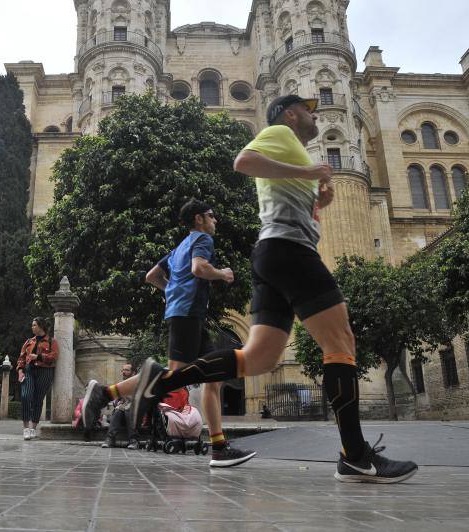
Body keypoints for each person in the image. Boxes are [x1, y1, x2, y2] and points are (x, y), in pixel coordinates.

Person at [130, 95, 419, 483]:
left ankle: (161, 381)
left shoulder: (294, 151)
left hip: (273, 253)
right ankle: (355, 456)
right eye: (308, 108)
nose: (315, 114)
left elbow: (287, 201)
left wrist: (321, 199)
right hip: (290, 252)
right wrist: (307, 174)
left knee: (258, 358)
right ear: (290, 112)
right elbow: (243, 162)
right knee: (341, 344)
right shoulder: (280, 133)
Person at [82, 199, 255, 467]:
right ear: (199, 219)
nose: (215, 220)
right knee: (172, 376)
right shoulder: (202, 240)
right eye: (212, 215)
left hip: (188, 315)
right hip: (186, 315)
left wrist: (172, 292)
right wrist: (223, 274)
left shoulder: (178, 248)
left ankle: (219, 447)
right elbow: (199, 268)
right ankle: (105, 393)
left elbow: (152, 276)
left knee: (215, 377)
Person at [16, 317, 58, 440]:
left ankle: (33, 428)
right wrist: (20, 371)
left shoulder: (51, 341)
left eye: (34, 325)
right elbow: (21, 359)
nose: (32, 327)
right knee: (25, 396)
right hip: (29, 371)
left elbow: (54, 357)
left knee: (38, 400)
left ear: (40, 327)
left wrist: (38, 357)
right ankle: (25, 428)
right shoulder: (28, 342)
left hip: (45, 371)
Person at [101, 363, 139, 449]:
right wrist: (118, 403)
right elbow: (114, 401)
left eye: (127, 370)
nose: (123, 372)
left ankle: (133, 440)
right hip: (121, 416)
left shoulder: (139, 385)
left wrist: (129, 403)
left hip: (135, 416)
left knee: (128, 409)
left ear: (133, 373)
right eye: (123, 370)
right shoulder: (121, 385)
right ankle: (110, 439)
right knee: (119, 410)